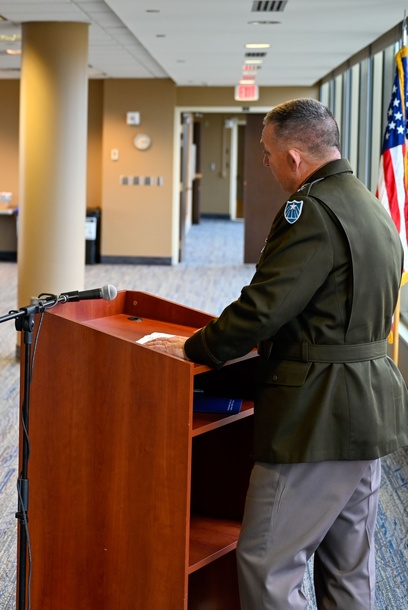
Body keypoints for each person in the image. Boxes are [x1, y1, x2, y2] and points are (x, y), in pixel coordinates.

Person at [144, 98, 408, 610]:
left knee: (267, 566)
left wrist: (196, 347)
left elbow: (264, 307)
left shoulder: (310, 209)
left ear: (292, 157)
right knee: (350, 570)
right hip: (370, 409)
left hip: (317, 417)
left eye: (266, 153)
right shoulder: (373, 204)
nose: (264, 164)